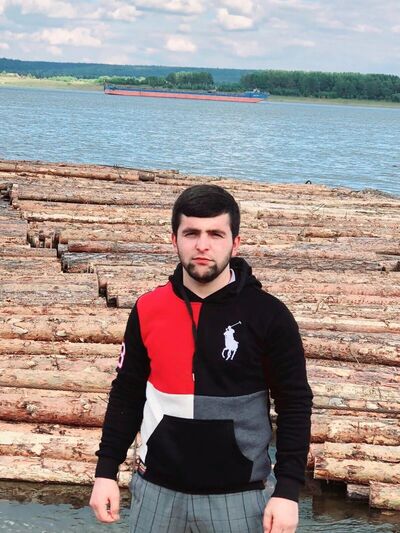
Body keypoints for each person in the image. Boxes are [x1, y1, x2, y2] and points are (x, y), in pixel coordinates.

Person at [90, 184, 313, 533]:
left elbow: (295, 403)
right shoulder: (148, 309)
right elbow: (127, 392)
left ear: (235, 243)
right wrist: (106, 470)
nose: (202, 245)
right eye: (191, 233)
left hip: (240, 496)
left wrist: (287, 491)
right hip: (156, 492)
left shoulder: (269, 315)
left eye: (215, 234)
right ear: (174, 240)